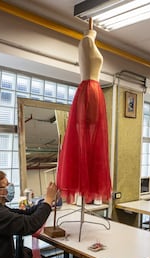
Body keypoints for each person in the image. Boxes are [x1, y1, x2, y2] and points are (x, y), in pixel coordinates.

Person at [56, 20, 112, 204]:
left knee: (95, 142)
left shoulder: (90, 42)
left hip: (93, 91)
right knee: (85, 140)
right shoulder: (86, 42)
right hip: (89, 91)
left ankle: (89, 180)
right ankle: (82, 179)